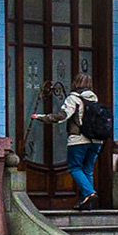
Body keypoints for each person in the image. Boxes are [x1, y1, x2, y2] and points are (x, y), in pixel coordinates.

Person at [34, 81, 103, 209]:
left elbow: (62, 116)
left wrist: (40, 117)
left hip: (78, 140)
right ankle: (85, 202)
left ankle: (89, 193)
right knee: (88, 170)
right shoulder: (94, 100)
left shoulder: (74, 99)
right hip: (96, 141)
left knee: (75, 167)